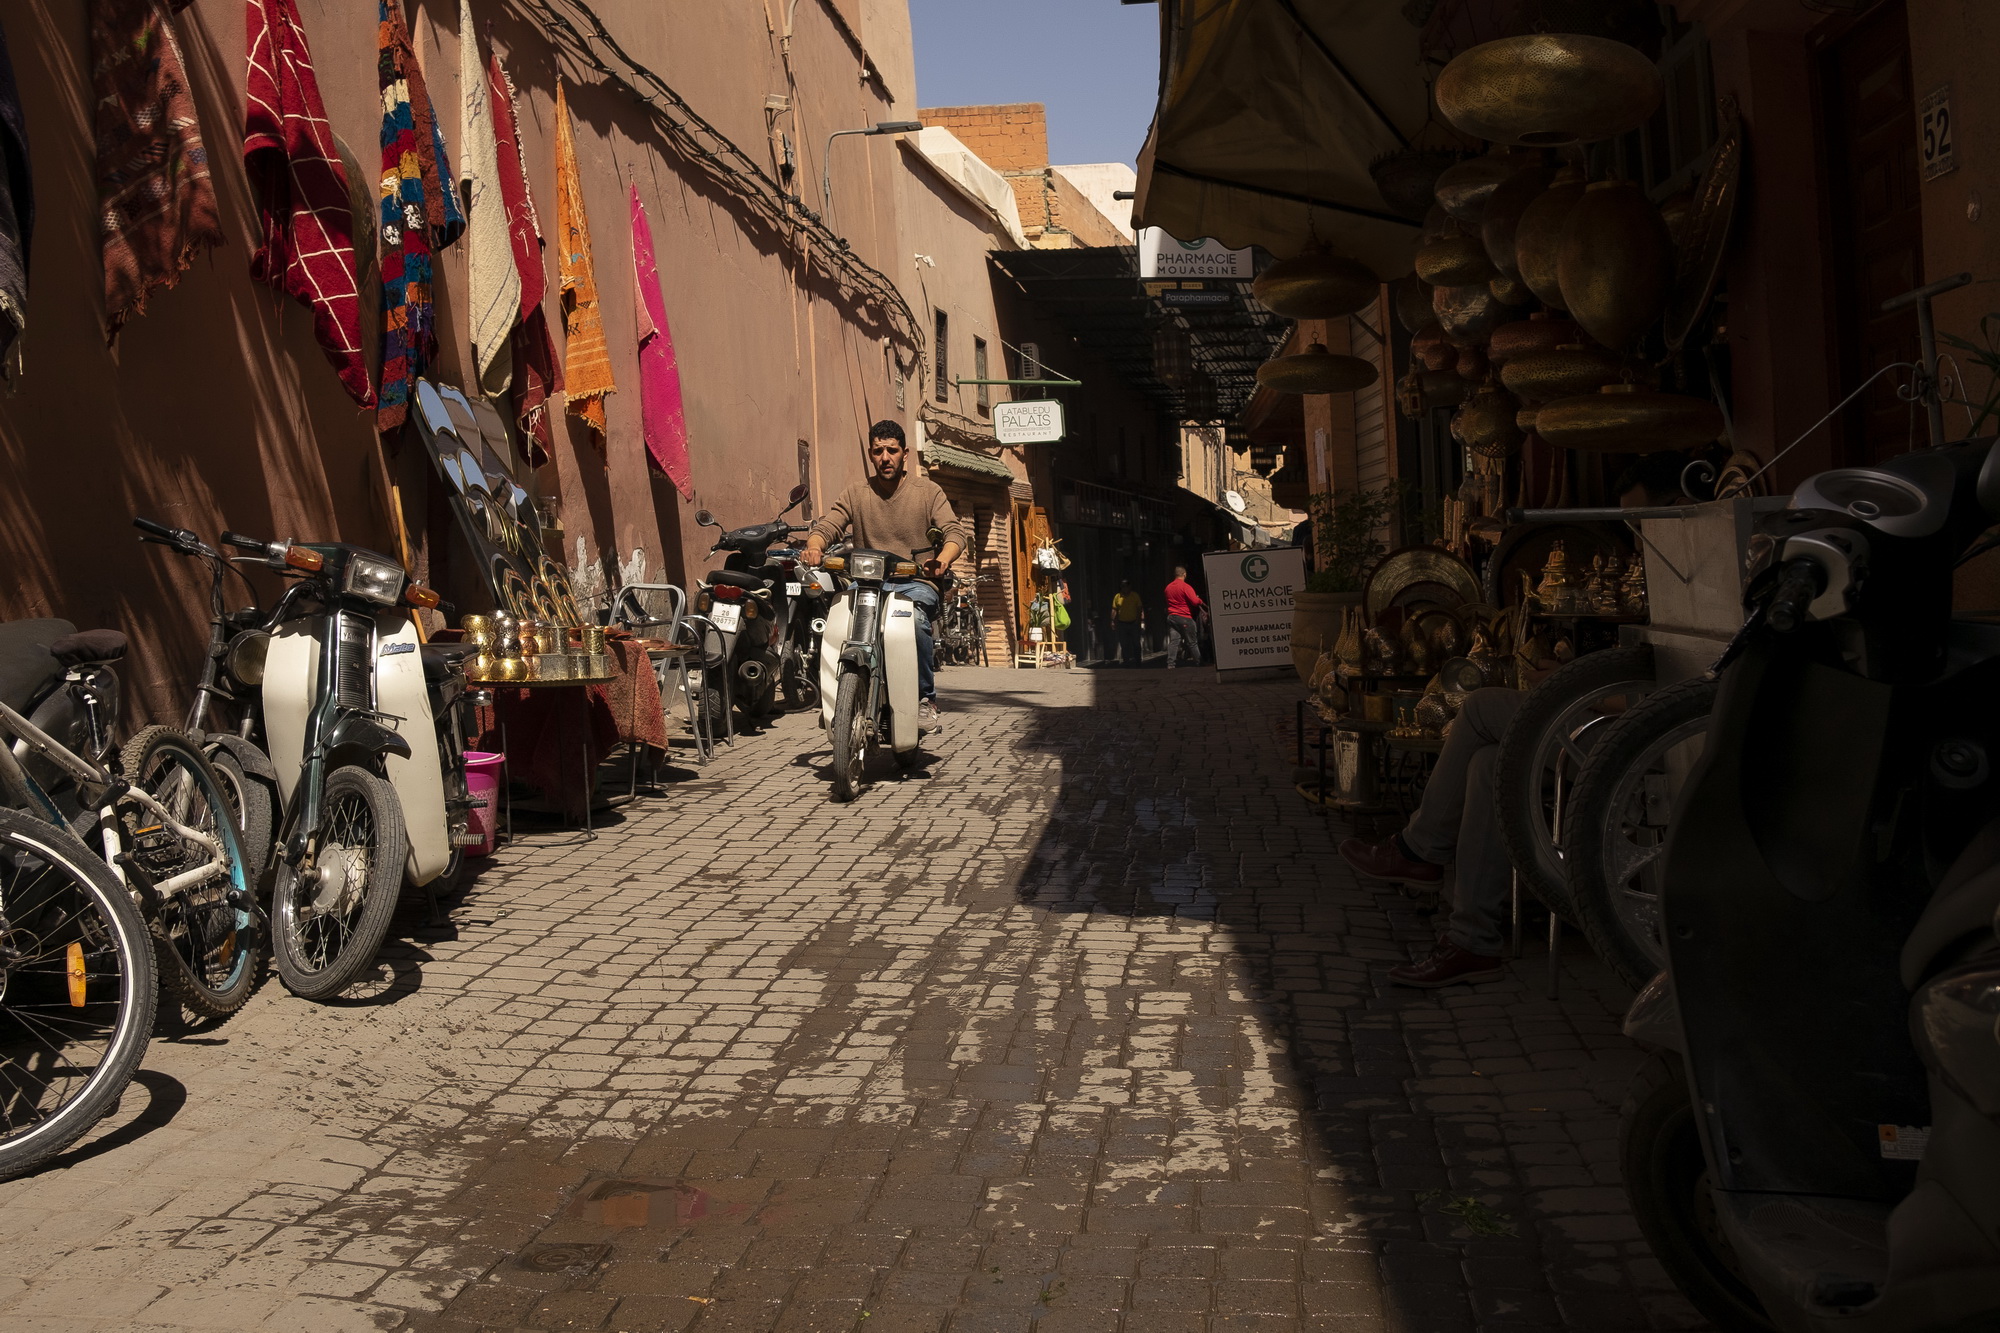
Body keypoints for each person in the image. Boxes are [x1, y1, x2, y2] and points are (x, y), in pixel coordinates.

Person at [1337, 687, 1525, 986]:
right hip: (1586, 707)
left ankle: (1417, 850)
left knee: (1480, 706)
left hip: (1609, 724)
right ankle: (1473, 941)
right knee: (1488, 763)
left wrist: (1569, 679)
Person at [802, 421, 965, 731]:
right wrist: (814, 547)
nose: (885, 457)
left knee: (915, 621)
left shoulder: (928, 492)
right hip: (867, 585)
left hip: (916, 584)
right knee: (836, 622)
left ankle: (925, 700)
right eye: (878, 451)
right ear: (870, 454)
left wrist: (942, 560)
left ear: (905, 454)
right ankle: (837, 697)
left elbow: (954, 531)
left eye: (892, 450)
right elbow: (828, 526)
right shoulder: (857, 493)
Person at [1163, 566, 1205, 668]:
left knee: (1174, 641)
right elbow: (1194, 602)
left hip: (1172, 617)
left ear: (1175, 575)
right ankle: (1199, 662)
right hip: (1184, 617)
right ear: (1184, 574)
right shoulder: (1186, 587)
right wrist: (1200, 600)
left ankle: (1170, 663)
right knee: (1192, 642)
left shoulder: (1168, 588)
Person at [1111, 578, 1144, 667]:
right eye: (1122, 587)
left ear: (1129, 587)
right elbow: (1114, 609)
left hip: (1133, 623)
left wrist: (1139, 620)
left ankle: (1138, 661)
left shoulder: (1135, 596)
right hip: (1122, 623)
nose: (1124, 588)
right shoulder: (1117, 597)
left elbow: (1139, 608)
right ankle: (1126, 662)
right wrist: (1113, 621)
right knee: (1124, 644)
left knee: (1136, 643)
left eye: (1126, 586)